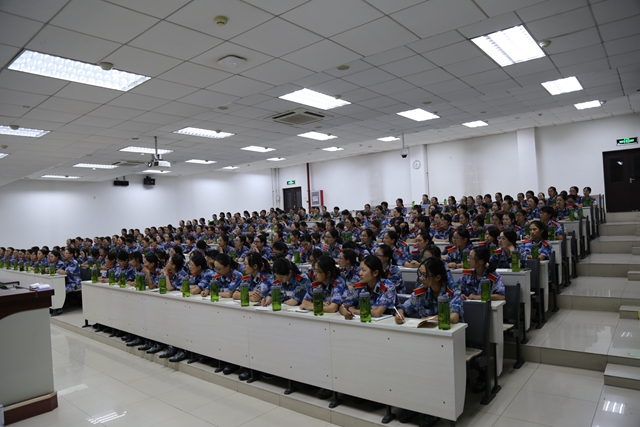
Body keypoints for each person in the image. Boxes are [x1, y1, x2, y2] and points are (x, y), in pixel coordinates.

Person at [394, 256, 463, 427]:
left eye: (425, 275)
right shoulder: (421, 290)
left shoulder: (452, 290)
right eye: (420, 274)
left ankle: (432, 409)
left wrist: (431, 318)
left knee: (431, 366)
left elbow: (454, 317)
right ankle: (413, 404)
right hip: (425, 341)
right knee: (408, 363)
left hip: (448, 341)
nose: (421, 278)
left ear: (438, 277)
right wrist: (400, 313)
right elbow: (405, 307)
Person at [339, 255, 397, 319]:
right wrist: (346, 313)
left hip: (388, 322)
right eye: (360, 270)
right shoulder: (360, 286)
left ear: (375, 273)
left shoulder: (388, 286)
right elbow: (343, 306)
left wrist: (355, 311)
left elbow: (377, 312)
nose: (360, 273)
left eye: (363, 270)